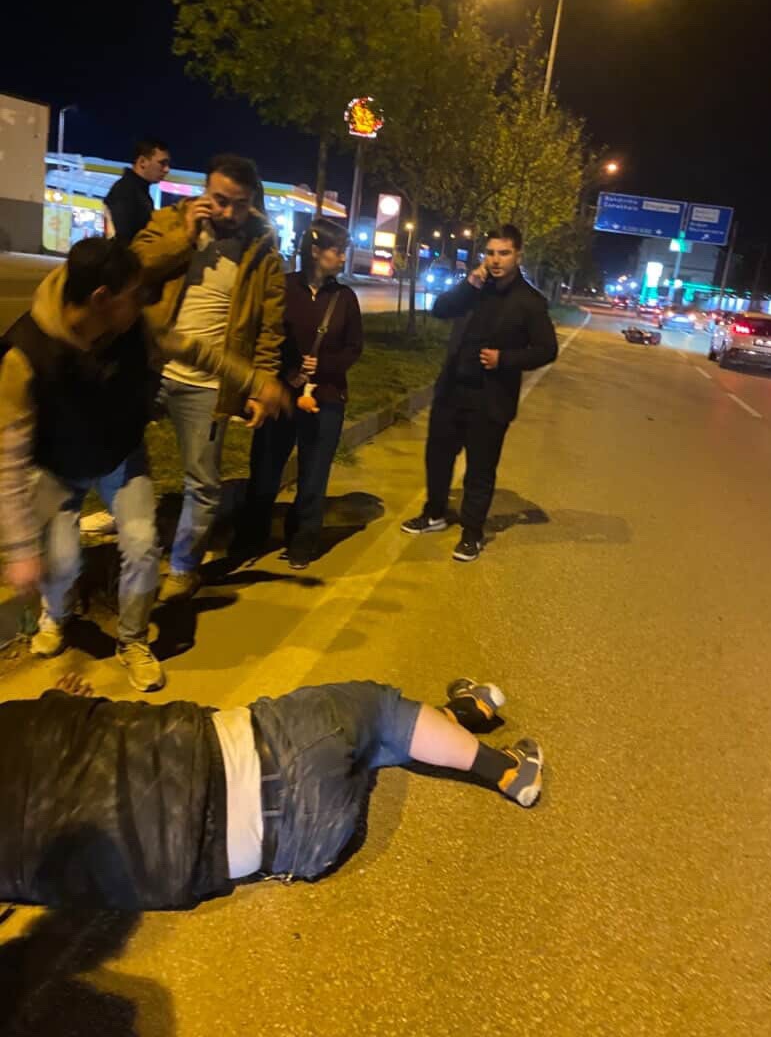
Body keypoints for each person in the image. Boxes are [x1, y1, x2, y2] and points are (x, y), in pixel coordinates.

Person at [0, 239, 288, 692]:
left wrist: (254, 380)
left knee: (141, 546)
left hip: (119, 456)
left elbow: (196, 351)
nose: (143, 303)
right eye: (133, 294)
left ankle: (132, 640)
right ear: (101, 298)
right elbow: (9, 460)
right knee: (62, 561)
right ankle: (55, 615)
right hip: (57, 468)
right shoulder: (25, 354)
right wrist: (20, 549)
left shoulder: (135, 330)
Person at [0, 671, 543, 911]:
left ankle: (459, 714)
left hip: (295, 849)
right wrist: (62, 703)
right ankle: (506, 769)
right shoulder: (16, 723)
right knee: (374, 708)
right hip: (272, 756)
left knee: (365, 743)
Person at [132, 153, 286, 602]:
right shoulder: (168, 222)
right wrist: (184, 237)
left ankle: (183, 567)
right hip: (151, 366)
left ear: (252, 201)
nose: (228, 212)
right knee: (117, 458)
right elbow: (134, 268)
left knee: (203, 483)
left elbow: (270, 327)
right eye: (220, 199)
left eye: (240, 203)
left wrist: (259, 384)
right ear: (205, 191)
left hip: (209, 385)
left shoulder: (263, 252)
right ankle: (130, 543)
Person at [401, 224, 558, 563]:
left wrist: (505, 359)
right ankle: (434, 513)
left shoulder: (530, 302)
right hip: (452, 390)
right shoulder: (475, 288)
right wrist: (469, 283)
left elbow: (547, 349)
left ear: (518, 255)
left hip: (491, 399)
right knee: (438, 456)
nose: (496, 260)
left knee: (480, 470)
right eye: (490, 253)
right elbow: (440, 309)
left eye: (504, 253)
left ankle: (472, 533)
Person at [240, 218, 363, 569]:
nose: (343, 258)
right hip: (280, 394)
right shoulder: (282, 287)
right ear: (315, 251)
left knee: (314, 474)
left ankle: (303, 540)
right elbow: (264, 336)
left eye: (344, 251)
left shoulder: (344, 298)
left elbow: (354, 347)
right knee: (265, 470)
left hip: (326, 398)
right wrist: (285, 370)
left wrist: (324, 365)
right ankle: (251, 536)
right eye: (337, 251)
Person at [104, 139, 171, 243]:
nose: (167, 169)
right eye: (162, 163)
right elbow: (123, 239)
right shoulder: (126, 191)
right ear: (142, 162)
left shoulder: (135, 190)